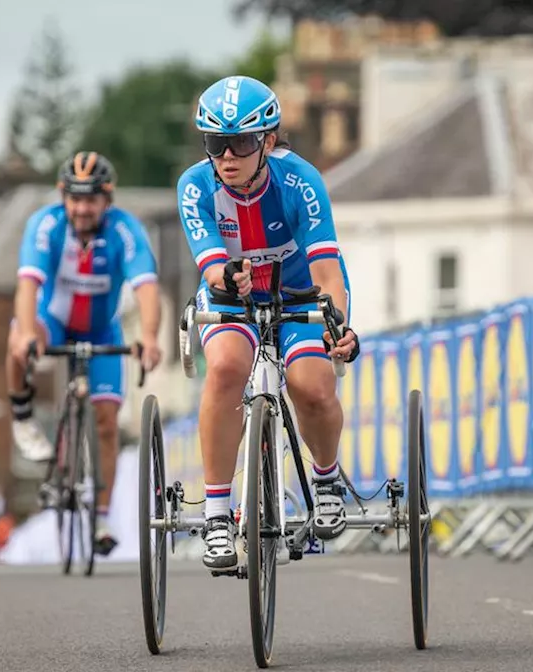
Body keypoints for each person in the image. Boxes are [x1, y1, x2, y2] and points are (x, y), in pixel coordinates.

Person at [176, 75, 361, 570]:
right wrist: (226, 275)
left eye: (240, 143)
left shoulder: (301, 182)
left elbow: (326, 271)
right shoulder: (195, 185)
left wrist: (336, 324)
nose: (227, 156)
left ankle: (325, 479)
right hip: (231, 295)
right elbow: (211, 263)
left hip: (299, 293)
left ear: (269, 142)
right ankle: (217, 515)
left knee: (314, 386)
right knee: (225, 370)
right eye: (216, 144)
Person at [7, 150, 164, 556]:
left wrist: (149, 336)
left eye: (91, 199)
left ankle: (102, 517)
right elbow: (27, 287)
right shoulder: (45, 226)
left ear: (107, 201)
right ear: (63, 198)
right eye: (74, 199)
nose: (81, 208)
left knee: (107, 421)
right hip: (51, 319)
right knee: (17, 342)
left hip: (101, 327)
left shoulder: (125, 231)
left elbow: (146, 286)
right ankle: (22, 414)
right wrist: (27, 334)